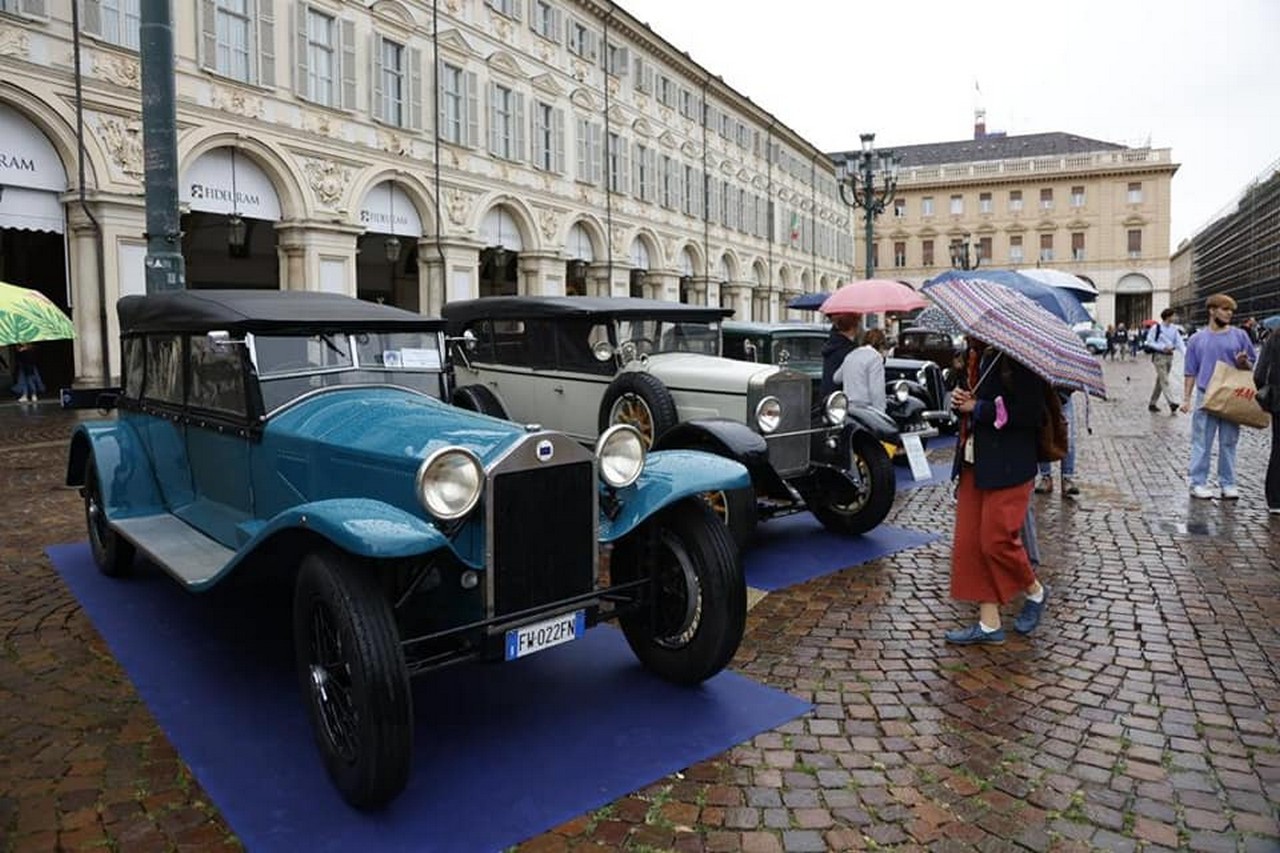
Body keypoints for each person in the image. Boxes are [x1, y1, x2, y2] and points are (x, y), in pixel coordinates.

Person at [945, 337, 1049, 645]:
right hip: (974, 463)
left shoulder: (1022, 356)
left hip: (1009, 466)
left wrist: (980, 407)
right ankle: (989, 625)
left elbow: (1030, 414)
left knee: (996, 541)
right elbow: (968, 410)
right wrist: (959, 401)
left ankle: (1036, 592)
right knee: (971, 543)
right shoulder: (975, 356)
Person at [1181, 293, 1256, 499]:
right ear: (1212, 310)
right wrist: (1186, 398)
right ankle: (1198, 482)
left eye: (1231, 310)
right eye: (1225, 309)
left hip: (1231, 394)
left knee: (1229, 441)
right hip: (1205, 394)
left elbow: (1252, 364)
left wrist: (1243, 362)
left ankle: (1228, 483)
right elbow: (1190, 371)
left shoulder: (1240, 336)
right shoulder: (1197, 339)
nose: (1229, 313)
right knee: (1201, 440)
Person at [1253, 321, 1280, 514]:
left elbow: (1259, 375)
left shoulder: (1274, 339)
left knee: (1278, 449)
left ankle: (1275, 499)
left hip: (1279, 402)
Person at [1033, 391, 1078, 495]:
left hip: (1063, 398)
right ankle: (1045, 477)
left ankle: (1067, 477)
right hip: (1043, 398)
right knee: (1043, 436)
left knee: (1068, 438)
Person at [835, 327, 887, 411]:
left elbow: (836, 378)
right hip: (865, 407)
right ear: (881, 345)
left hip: (847, 405)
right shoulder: (875, 358)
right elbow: (876, 389)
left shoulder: (851, 354)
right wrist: (881, 411)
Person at [1145, 307, 1186, 413]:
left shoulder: (1174, 329)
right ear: (1168, 316)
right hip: (1159, 356)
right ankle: (1172, 402)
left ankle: (1152, 403)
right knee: (1165, 380)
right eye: (1173, 315)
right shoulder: (1156, 328)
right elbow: (1149, 342)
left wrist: (1186, 354)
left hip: (1169, 356)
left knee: (1160, 381)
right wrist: (1161, 347)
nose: (1175, 317)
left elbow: (1179, 342)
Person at [819, 313, 860, 398]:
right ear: (853, 327)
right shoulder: (848, 350)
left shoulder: (832, 342)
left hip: (828, 395)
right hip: (841, 399)